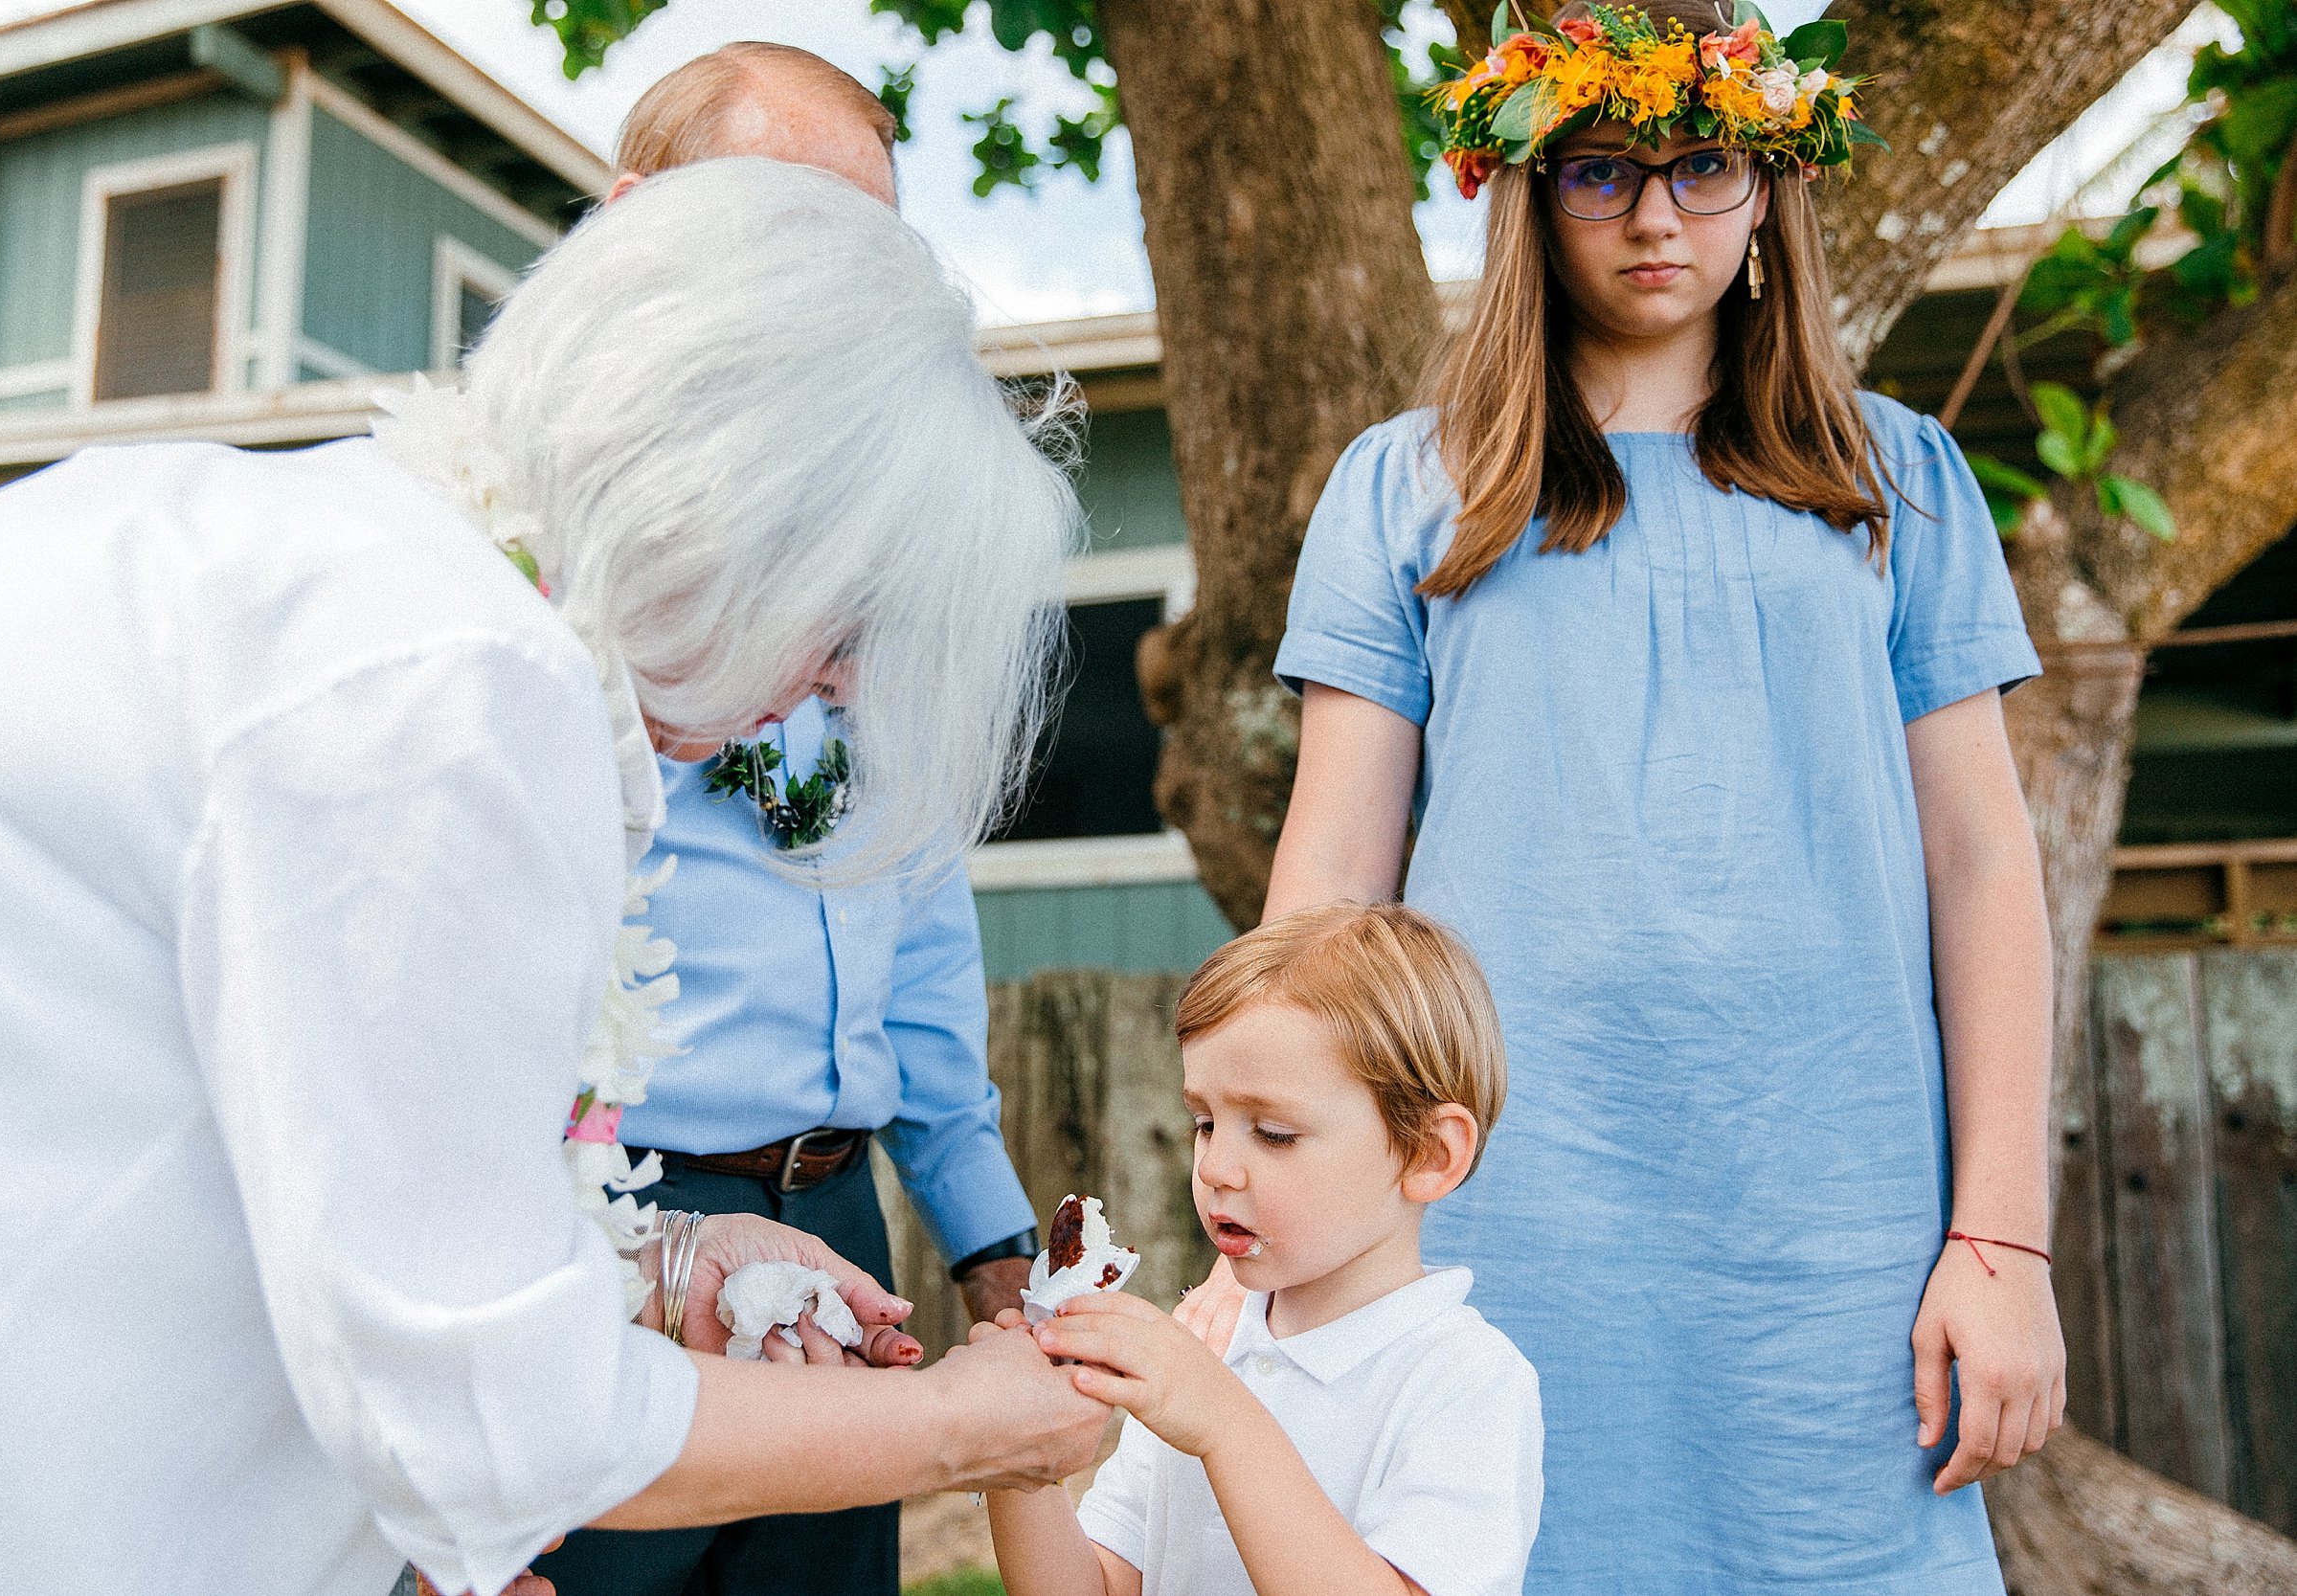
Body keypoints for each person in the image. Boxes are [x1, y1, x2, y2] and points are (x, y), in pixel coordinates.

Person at [0, 159, 1107, 1596]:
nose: (820, 696)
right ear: (746, 513)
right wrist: (955, 1421)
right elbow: (486, 1430)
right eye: (847, 632)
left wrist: (658, 1261)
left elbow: (316, 1162)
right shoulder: (453, 683)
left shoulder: (320, 556)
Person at [1250, 4, 2065, 1591]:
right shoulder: (1406, 486)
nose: (1651, 217)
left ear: (1770, 189)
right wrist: (1281, 1194)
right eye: (1601, 172)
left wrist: (2005, 1238)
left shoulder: (1899, 481)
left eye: (1702, 166)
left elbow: (1982, 865)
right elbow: (1330, 885)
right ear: (1527, 192)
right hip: (1505, 1208)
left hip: (1836, 1232)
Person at [531, 45, 1048, 1596]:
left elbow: (928, 977)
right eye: (794, 231)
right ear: (641, 230)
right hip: (615, 1216)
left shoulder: (887, 598)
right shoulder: (541, 597)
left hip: (838, 1208)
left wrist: (993, 1250)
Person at [982, 902, 1543, 1596]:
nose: (1217, 1165)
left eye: (1274, 1132)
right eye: (1205, 1122)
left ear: (1429, 1153)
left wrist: (1223, 1421)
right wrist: (1018, 1462)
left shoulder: (1465, 1380)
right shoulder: (1204, 1345)